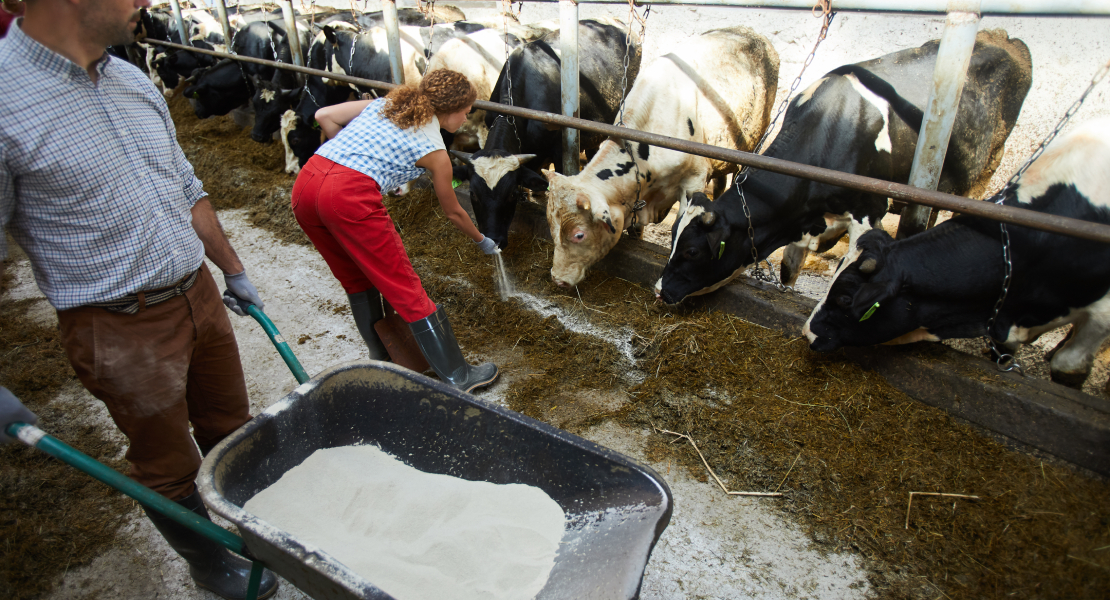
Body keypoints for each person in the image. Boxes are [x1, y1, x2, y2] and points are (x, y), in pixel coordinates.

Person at [0, 1, 277, 598]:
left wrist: (232, 269)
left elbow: (186, 185)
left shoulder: (129, 76)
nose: (146, 2)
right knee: (165, 461)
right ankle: (211, 563)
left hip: (198, 293)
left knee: (233, 425)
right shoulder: (4, 103)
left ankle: (261, 527)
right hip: (118, 326)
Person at [292, 69, 500, 393]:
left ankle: (383, 357)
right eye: (466, 110)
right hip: (349, 197)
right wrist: (481, 239)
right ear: (448, 109)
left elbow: (325, 116)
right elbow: (454, 212)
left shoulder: (384, 104)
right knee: (404, 286)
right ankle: (459, 377)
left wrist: (353, 161)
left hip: (308, 183)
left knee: (355, 279)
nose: (468, 116)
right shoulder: (434, 150)